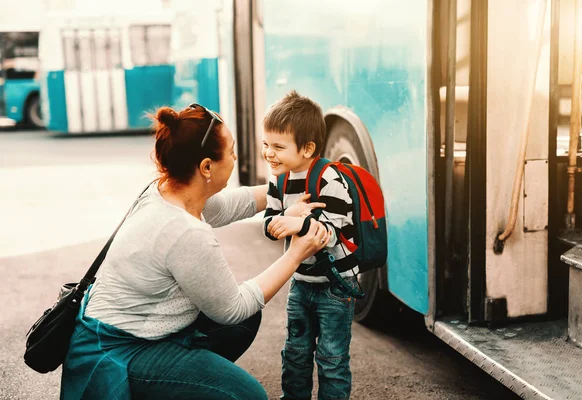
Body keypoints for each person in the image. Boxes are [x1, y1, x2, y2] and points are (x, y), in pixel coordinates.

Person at [60, 103, 332, 400]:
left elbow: (229, 205)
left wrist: (288, 189)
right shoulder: (184, 231)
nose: (235, 158)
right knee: (247, 394)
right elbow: (233, 309)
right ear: (206, 167)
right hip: (121, 350)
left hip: (129, 330)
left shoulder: (166, 191)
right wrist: (295, 254)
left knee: (244, 321)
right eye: (230, 152)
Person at [261, 90, 359, 400]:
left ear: (307, 148)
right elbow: (269, 223)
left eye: (278, 147)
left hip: (335, 286)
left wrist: (297, 224)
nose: (269, 154)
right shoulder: (278, 180)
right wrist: (286, 217)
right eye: (266, 144)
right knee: (295, 354)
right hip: (301, 284)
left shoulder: (329, 179)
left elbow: (331, 233)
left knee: (331, 360)